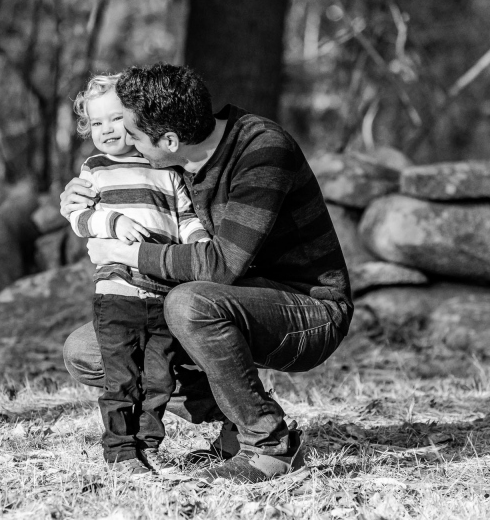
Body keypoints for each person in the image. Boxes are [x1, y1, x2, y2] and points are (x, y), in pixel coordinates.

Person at [60, 63, 352, 484]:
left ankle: (270, 445)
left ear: (170, 140)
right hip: (225, 297)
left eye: (133, 135)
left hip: (307, 311)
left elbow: (220, 265)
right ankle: (243, 414)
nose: (127, 143)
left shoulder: (262, 150)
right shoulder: (173, 155)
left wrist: (131, 253)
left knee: (189, 304)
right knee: (87, 350)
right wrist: (81, 198)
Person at [70, 73, 211, 476]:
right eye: (97, 124)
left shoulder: (163, 167)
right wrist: (110, 222)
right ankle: (119, 450)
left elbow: (184, 216)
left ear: (136, 119)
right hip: (117, 291)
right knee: (122, 378)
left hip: (164, 292)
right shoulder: (94, 168)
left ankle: (145, 443)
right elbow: (80, 217)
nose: (107, 130)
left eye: (115, 119)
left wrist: (199, 240)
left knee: (159, 379)